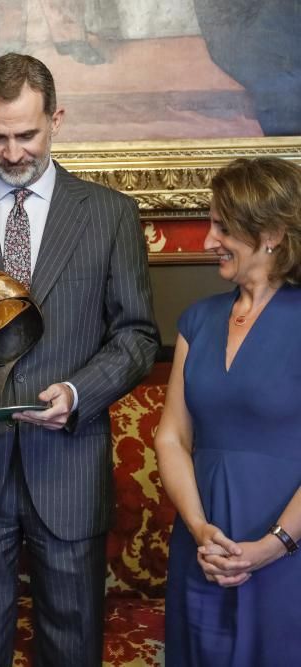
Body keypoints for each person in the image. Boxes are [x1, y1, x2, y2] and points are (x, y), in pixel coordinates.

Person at [0, 53, 159, 666]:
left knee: (73, 651)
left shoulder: (109, 216)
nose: (12, 153)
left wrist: (76, 393)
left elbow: (138, 337)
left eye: (26, 135)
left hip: (68, 468)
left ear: (57, 120)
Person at [156, 157, 301, 666]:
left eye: (223, 226)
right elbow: (171, 438)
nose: (207, 240)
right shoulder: (197, 319)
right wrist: (199, 529)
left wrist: (275, 544)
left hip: (289, 555)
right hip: (205, 551)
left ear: (274, 233)